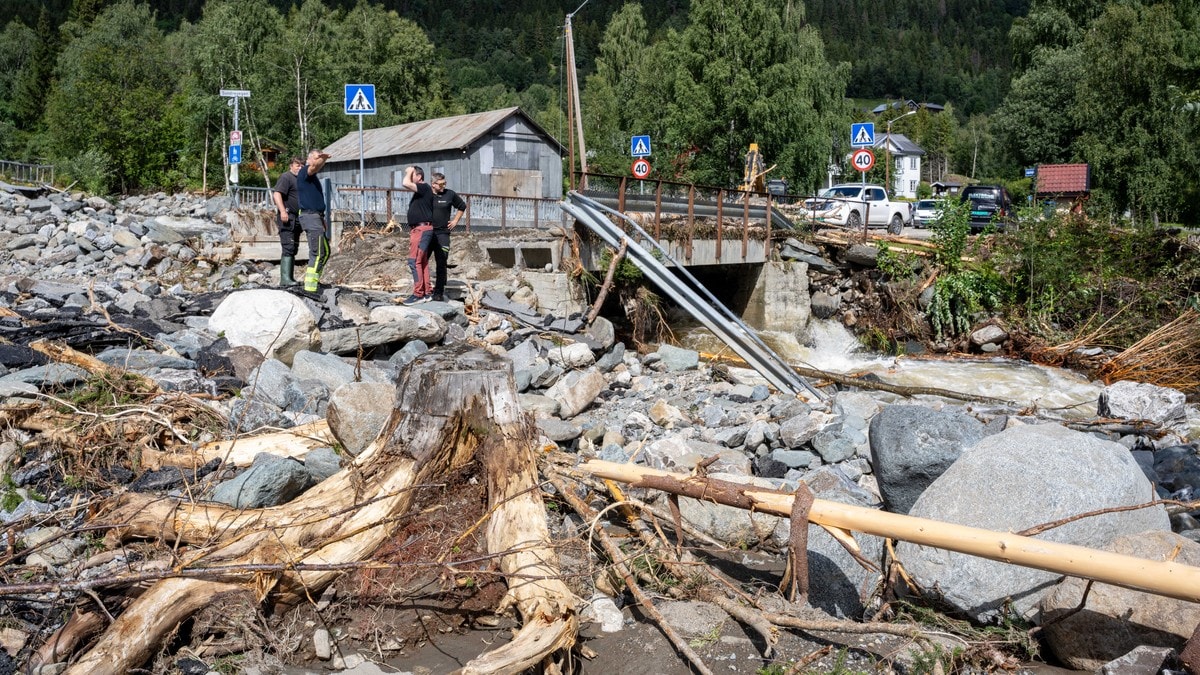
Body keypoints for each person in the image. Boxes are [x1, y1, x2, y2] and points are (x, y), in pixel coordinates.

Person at [421, 172, 467, 302]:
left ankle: (438, 292)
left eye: (445, 183)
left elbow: (462, 206)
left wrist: (455, 221)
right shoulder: (426, 195)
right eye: (441, 184)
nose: (444, 186)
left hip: (443, 234)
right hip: (428, 233)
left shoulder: (450, 194)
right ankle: (423, 289)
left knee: (442, 262)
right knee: (422, 261)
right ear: (433, 184)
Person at [296, 149, 331, 293]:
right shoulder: (304, 172)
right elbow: (314, 166)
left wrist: (322, 219)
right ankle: (310, 288)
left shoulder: (312, 177)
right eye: (316, 157)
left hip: (316, 217)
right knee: (317, 253)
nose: (319, 160)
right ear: (309, 160)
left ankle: (314, 280)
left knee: (326, 252)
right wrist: (323, 158)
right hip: (310, 217)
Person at [401, 165, 433, 304]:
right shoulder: (422, 191)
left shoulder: (424, 187)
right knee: (422, 262)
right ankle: (427, 292)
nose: (410, 177)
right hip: (421, 229)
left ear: (419, 177)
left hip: (421, 230)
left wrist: (409, 170)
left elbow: (405, 183)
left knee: (414, 261)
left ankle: (418, 294)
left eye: (413, 175)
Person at [271, 156, 303, 287]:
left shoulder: (300, 179)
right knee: (288, 247)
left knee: (294, 248)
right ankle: (285, 279)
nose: (300, 168)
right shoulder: (286, 177)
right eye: (297, 165)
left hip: (297, 218)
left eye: (302, 165)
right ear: (291, 166)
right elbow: (277, 194)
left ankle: (290, 278)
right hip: (287, 217)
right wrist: (283, 211)